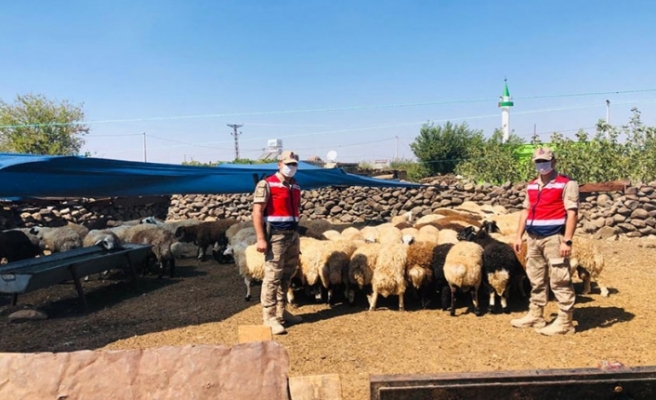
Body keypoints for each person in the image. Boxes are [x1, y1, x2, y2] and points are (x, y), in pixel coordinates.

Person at [510, 146, 579, 335]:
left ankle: (565, 321)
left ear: (554, 161)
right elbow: (526, 210)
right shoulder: (532, 185)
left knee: (559, 279)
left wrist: (567, 240)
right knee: (536, 278)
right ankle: (536, 315)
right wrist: (518, 235)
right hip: (533, 237)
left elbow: (572, 213)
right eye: (538, 162)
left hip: (554, 237)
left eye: (545, 161)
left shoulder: (566, 183)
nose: (542, 165)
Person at [252, 150, 303, 335]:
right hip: (276, 236)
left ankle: (281, 311)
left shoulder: (296, 186)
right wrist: (260, 238)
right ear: (279, 164)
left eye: (294, 164)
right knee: (272, 276)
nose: (292, 167)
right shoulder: (267, 184)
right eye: (288, 164)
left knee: (287, 274)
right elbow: (258, 211)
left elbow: (295, 209)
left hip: (292, 235)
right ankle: (269, 317)